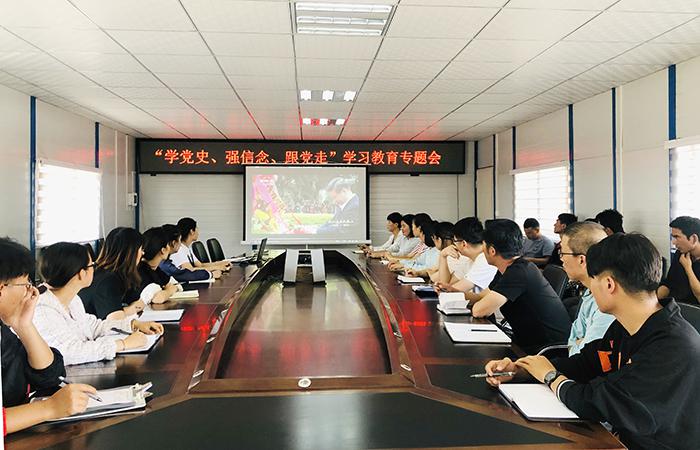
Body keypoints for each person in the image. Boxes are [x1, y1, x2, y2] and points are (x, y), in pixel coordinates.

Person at [484, 233, 700, 450]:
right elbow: (587, 364)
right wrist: (523, 370)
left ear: (608, 284)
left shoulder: (671, 347)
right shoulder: (627, 325)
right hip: (622, 438)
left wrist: (550, 376)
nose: (589, 289)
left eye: (591, 280)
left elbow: (598, 402)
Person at [0, 237, 97, 434]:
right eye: (25, 284)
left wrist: (24, 325)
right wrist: (48, 409)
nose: (30, 291)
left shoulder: (4, 332)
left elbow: (50, 376)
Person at [34, 242, 164, 365]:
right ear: (82, 274)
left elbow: (93, 327)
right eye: (92, 265)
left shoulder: (72, 299)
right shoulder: (42, 309)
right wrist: (123, 344)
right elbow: (69, 353)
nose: (94, 268)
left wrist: (133, 325)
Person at [472, 219, 571, 352]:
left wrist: (474, 303)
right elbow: (483, 296)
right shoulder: (509, 268)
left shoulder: (518, 272)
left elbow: (479, 311)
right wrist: (453, 294)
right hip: (526, 341)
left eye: (483, 246)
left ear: (492, 250)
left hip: (546, 350)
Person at [558, 222, 615, 355]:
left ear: (581, 260)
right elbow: (572, 341)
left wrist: (579, 343)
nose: (561, 259)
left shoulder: (607, 305)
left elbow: (582, 355)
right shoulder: (590, 292)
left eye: (563, 253)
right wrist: (578, 342)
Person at [79, 227, 150, 320]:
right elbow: (114, 319)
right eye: (141, 249)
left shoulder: (118, 275)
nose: (143, 253)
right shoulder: (108, 280)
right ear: (131, 253)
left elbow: (136, 300)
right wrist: (130, 309)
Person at [435, 218, 497, 304]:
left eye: (455, 241)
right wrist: (443, 256)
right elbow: (446, 284)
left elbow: (449, 292)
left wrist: (444, 288)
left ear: (464, 243)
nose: (453, 245)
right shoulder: (469, 260)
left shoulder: (484, 260)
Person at [658, 216, 700, 305]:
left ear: (693, 239)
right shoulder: (680, 253)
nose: (673, 242)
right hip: (675, 305)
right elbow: (669, 283)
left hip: (694, 309)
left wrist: (688, 268)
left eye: (677, 237)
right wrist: (653, 299)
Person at [138, 227, 182, 304]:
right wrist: (169, 290)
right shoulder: (141, 270)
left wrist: (166, 292)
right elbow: (158, 299)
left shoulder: (155, 269)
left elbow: (177, 285)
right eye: (168, 245)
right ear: (163, 250)